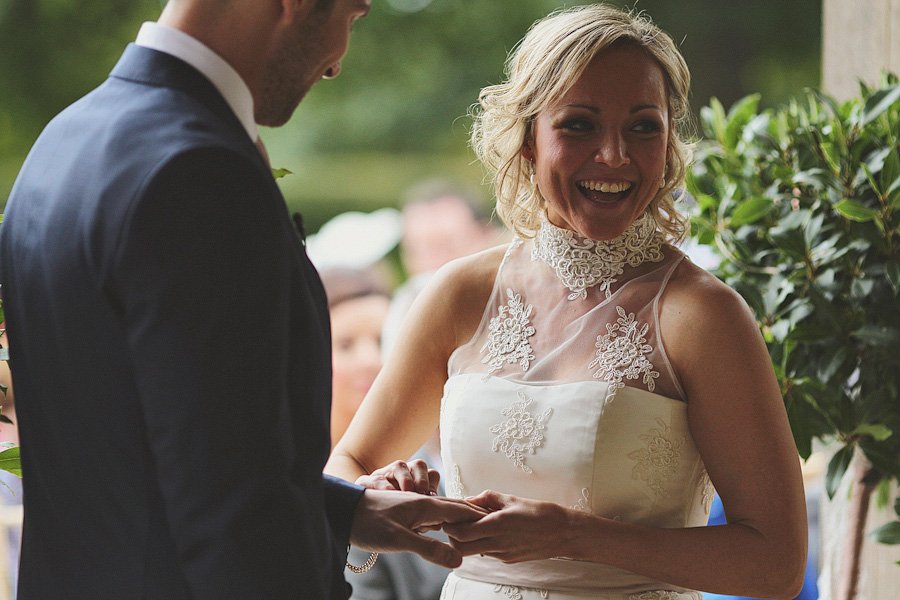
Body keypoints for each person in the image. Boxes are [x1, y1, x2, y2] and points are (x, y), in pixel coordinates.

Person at [0, 1, 484, 598]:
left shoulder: (65, 139)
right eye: (351, 18)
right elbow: (232, 515)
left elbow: (154, 450)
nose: (337, 63)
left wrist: (345, 511)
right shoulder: (198, 171)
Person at [326, 4, 807, 599]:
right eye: (579, 125)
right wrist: (383, 488)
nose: (614, 155)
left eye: (642, 126)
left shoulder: (701, 315)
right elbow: (346, 464)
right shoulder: (459, 294)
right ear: (528, 138)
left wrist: (574, 535)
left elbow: (777, 565)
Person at [319, 267, 451, 600]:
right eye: (346, 344)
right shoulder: (306, 474)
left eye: (381, 341)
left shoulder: (422, 470)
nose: (372, 360)